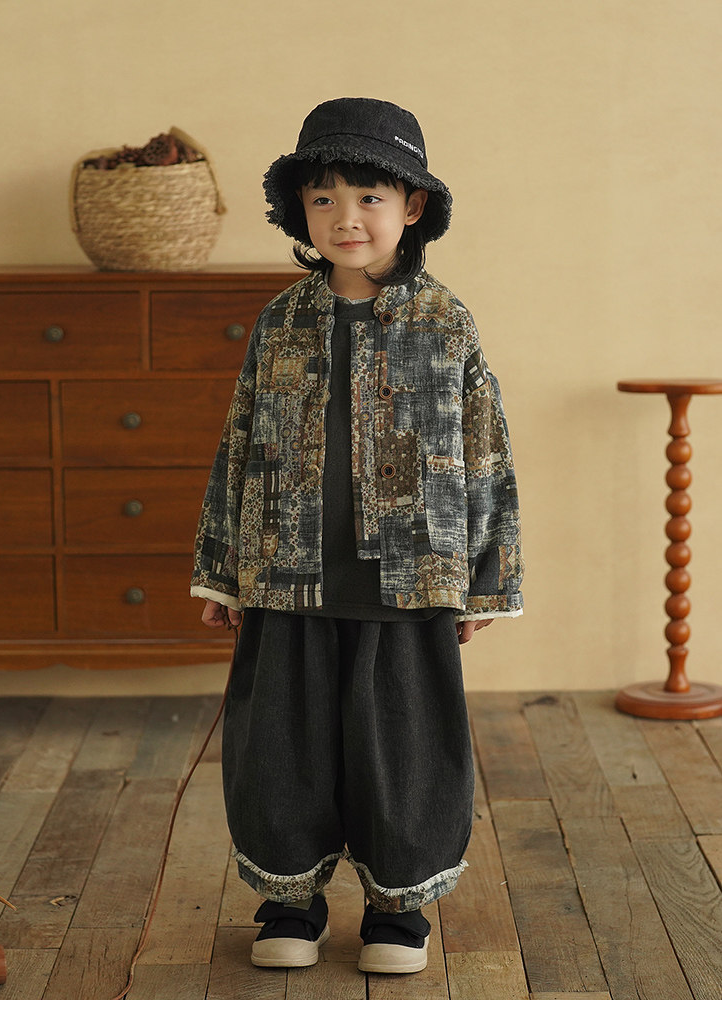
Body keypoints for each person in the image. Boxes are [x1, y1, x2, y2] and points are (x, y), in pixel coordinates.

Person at [191, 97, 523, 974]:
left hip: (409, 584)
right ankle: (287, 902)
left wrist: (485, 582)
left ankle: (396, 910)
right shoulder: (279, 322)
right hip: (286, 577)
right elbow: (239, 444)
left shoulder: (446, 323)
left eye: (369, 196)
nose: (346, 217)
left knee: (405, 753)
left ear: (412, 206)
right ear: (300, 210)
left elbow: (485, 452)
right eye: (324, 197)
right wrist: (222, 571)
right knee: (279, 749)